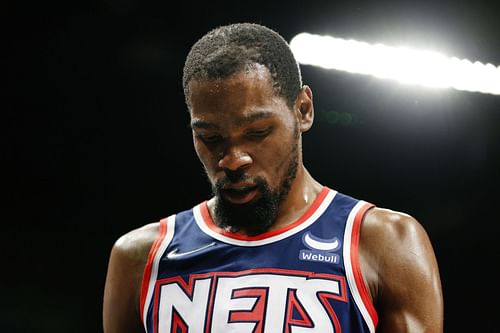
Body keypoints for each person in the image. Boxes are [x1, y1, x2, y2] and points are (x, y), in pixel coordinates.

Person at [103, 22, 443, 333]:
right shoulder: (141, 257)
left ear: (303, 111)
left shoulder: (384, 243)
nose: (234, 160)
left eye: (257, 132)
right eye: (211, 138)